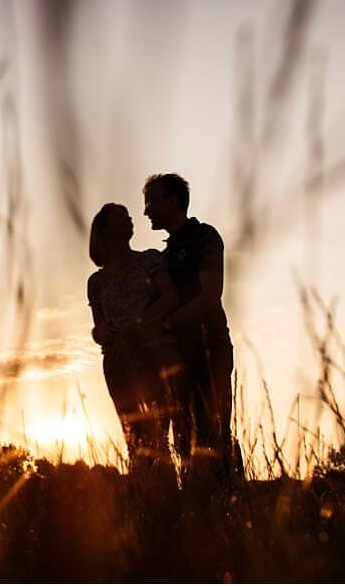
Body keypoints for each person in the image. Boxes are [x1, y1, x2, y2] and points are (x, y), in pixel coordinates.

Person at [142, 173, 239, 478]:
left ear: (173, 200)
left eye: (152, 202)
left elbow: (210, 296)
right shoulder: (164, 256)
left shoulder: (204, 237)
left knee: (213, 431)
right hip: (178, 357)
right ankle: (197, 512)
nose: (147, 211)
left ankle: (232, 509)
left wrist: (167, 323)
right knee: (185, 438)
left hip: (209, 346)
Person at [86, 203, 184, 471]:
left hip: (154, 353)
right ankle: (145, 497)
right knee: (134, 436)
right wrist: (102, 333)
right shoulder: (97, 281)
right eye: (121, 218)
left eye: (129, 217)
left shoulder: (150, 260)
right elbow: (98, 328)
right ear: (105, 230)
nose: (129, 221)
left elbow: (171, 298)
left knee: (158, 432)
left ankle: (169, 495)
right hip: (118, 361)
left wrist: (138, 322)